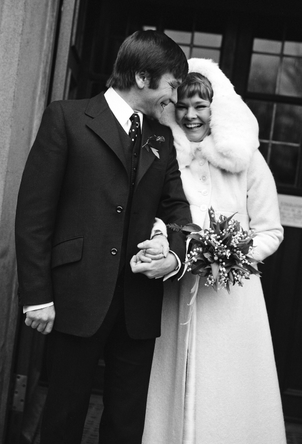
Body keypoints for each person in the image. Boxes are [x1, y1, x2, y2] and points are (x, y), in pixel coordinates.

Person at [15, 30, 191, 444]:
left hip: (139, 305)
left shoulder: (161, 138)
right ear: (144, 78)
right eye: (172, 84)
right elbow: (34, 214)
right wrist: (37, 295)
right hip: (75, 296)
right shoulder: (67, 117)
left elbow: (178, 211)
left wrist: (174, 255)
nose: (175, 96)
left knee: (127, 425)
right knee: (63, 417)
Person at [140, 58, 287, 443]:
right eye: (182, 106)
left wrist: (233, 255)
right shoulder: (165, 157)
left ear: (215, 108)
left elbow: (270, 230)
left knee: (227, 388)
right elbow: (156, 215)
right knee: (173, 382)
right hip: (176, 290)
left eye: (200, 106)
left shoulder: (248, 160)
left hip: (232, 299)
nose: (191, 116)